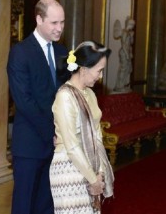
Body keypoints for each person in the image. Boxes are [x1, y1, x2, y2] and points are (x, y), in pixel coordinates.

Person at [7, 0, 67, 214]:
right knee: (25, 204)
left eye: (62, 22)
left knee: (48, 204)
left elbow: (66, 94)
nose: (59, 28)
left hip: (56, 144)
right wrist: (51, 132)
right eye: (54, 23)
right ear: (39, 19)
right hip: (30, 144)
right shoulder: (21, 52)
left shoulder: (62, 52)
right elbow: (24, 102)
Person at [50, 41, 114, 213]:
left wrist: (99, 171)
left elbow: (97, 136)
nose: (100, 76)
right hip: (69, 168)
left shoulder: (90, 93)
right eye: (99, 70)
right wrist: (93, 179)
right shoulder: (65, 96)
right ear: (84, 69)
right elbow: (71, 146)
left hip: (90, 165)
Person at [113, 16, 135, 92]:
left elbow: (131, 43)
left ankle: (123, 84)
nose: (132, 27)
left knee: (128, 69)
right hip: (124, 52)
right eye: (132, 25)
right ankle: (119, 86)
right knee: (123, 69)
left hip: (127, 52)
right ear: (129, 24)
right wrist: (126, 54)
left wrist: (132, 36)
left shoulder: (129, 33)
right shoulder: (124, 32)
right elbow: (124, 44)